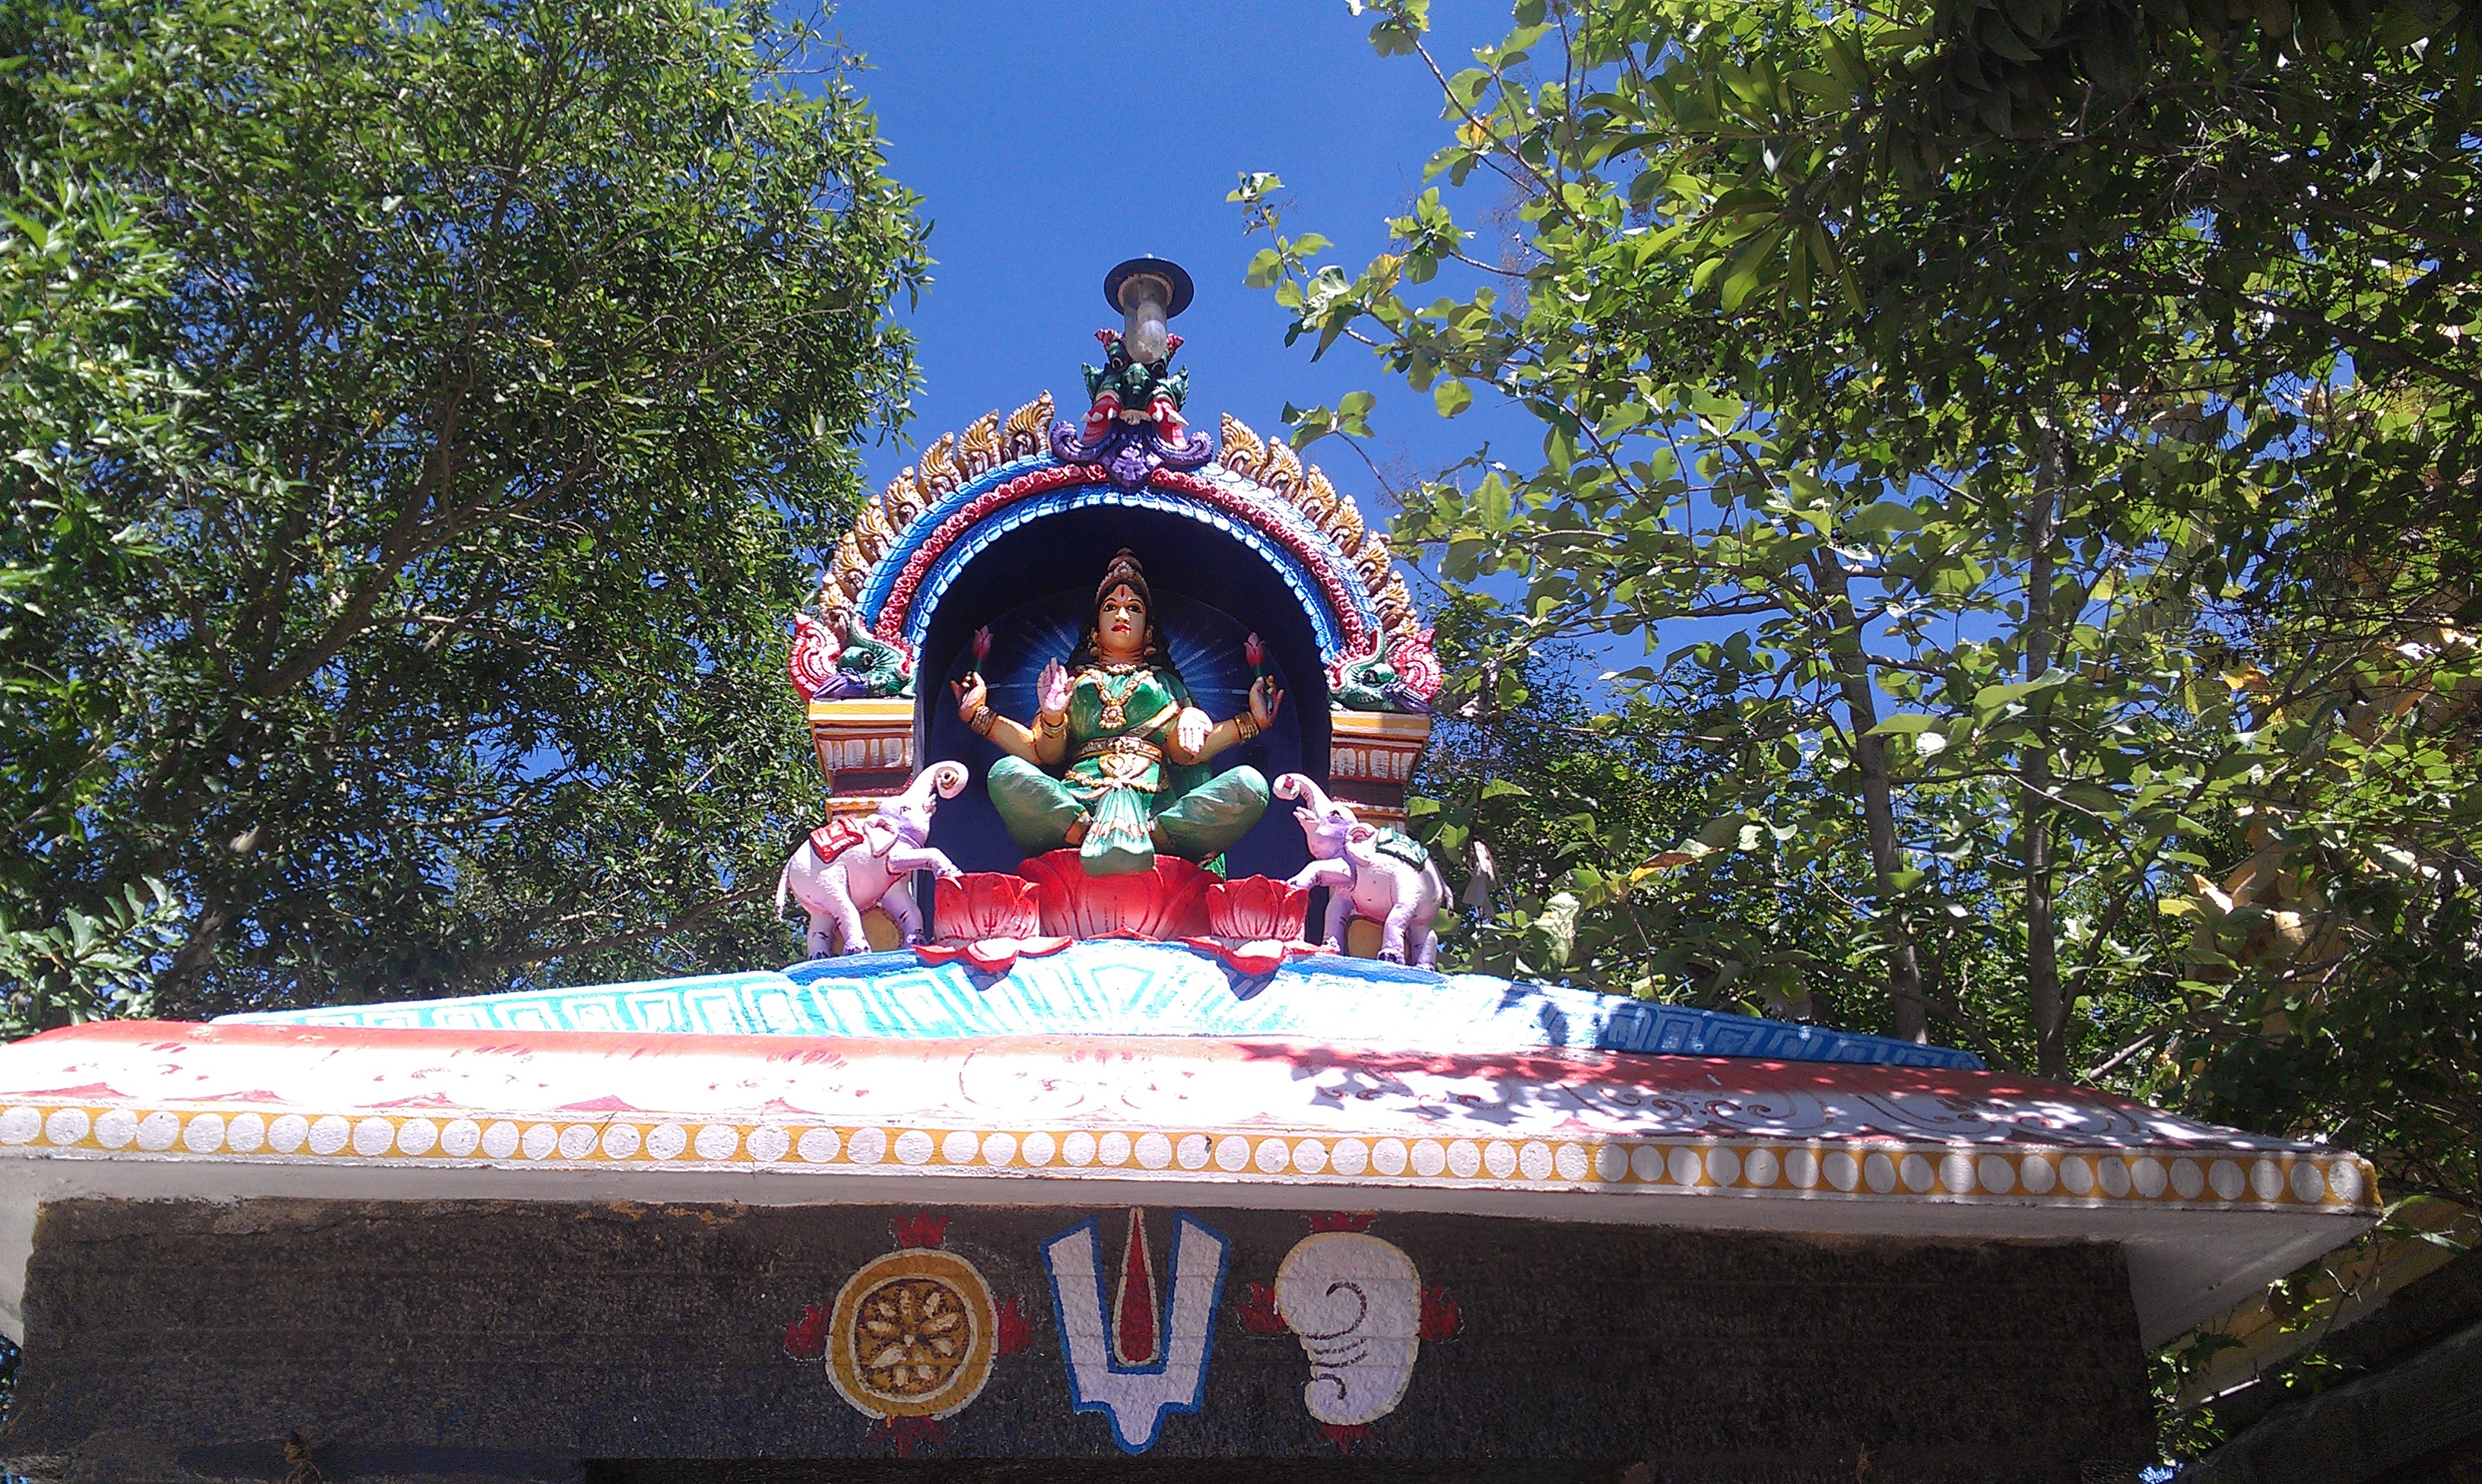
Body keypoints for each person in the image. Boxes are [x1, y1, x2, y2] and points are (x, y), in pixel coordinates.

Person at [951, 550, 1280, 876]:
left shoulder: (1164, 684)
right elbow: (1042, 753)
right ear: (1095, 630)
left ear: (1148, 632)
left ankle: (1151, 839)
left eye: (1133, 608)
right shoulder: (1073, 682)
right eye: (1111, 607)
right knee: (1005, 773)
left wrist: (1251, 722)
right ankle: (1093, 837)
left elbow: (1188, 752)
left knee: (1250, 785)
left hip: (1155, 805)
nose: (1121, 614)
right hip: (1078, 800)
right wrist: (986, 715)